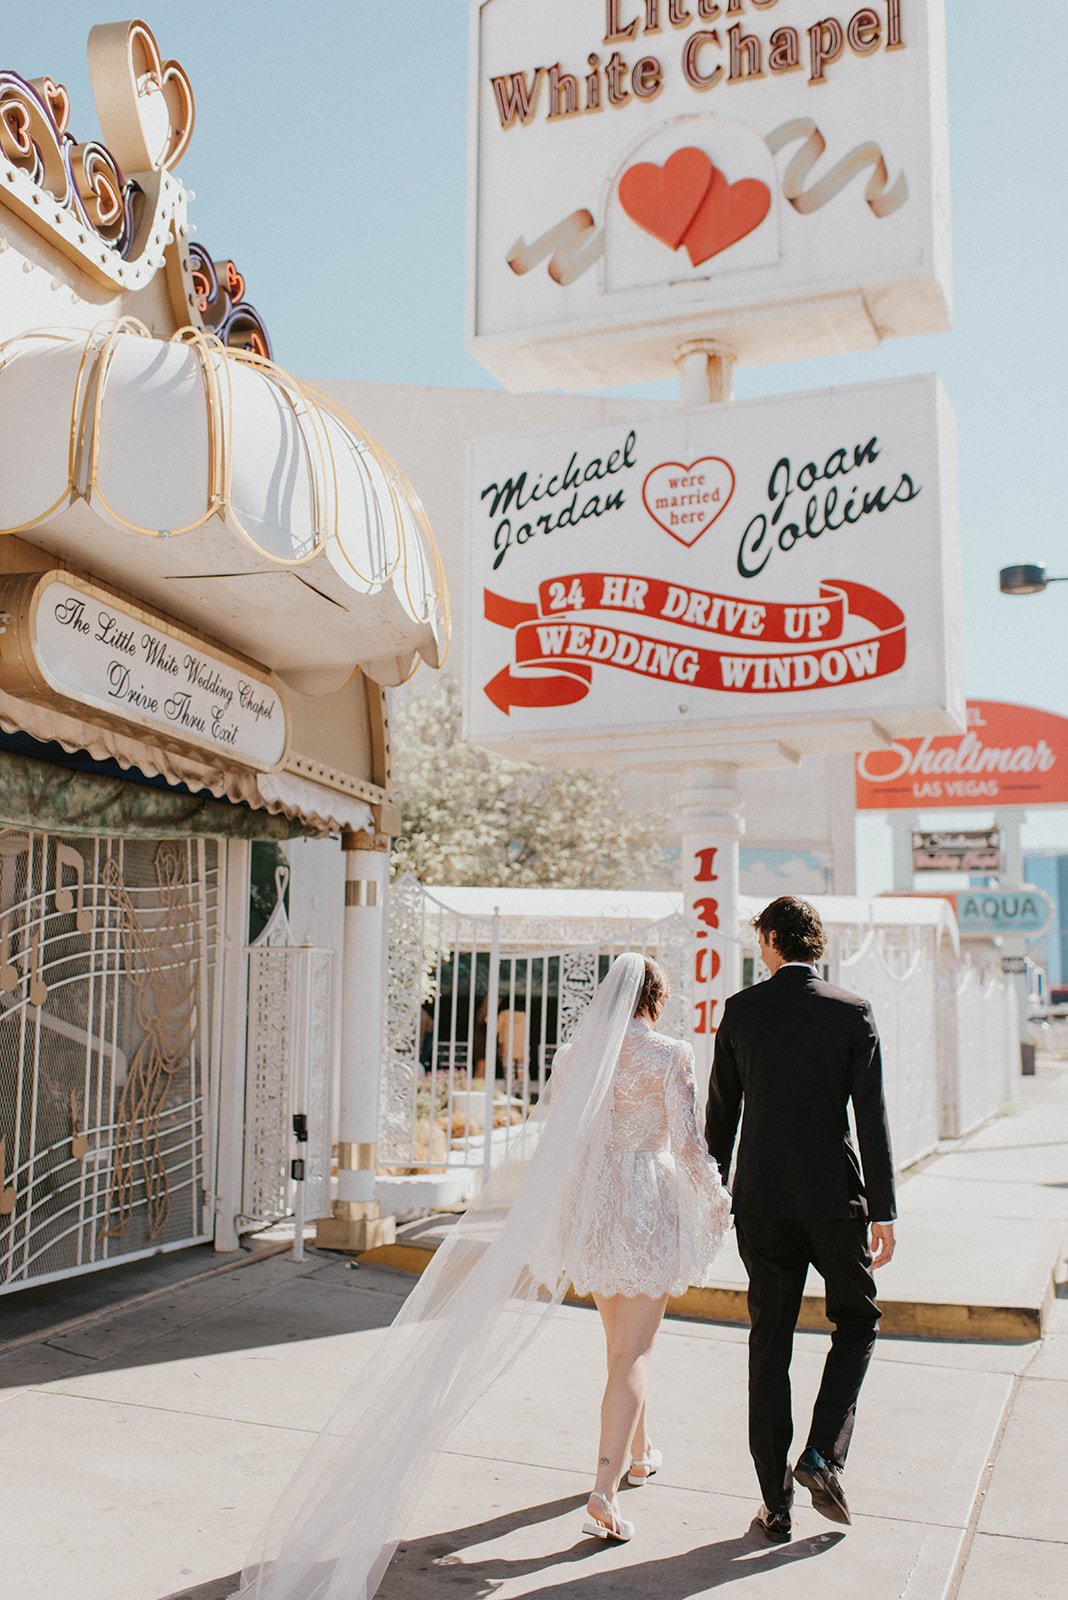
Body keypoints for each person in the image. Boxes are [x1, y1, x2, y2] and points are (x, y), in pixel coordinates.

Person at [234, 954, 729, 1598]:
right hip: (644, 1205)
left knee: (619, 1347)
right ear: (655, 1000)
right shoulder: (670, 1054)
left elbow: (559, 1141)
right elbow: (688, 1144)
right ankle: (604, 1490)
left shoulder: (576, 1056)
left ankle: (640, 1452)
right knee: (633, 1352)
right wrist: (716, 1199)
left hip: (595, 1206)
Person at [706, 895, 896, 1545]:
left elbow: (721, 1117)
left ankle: (775, 1503)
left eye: (759, 939)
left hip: (761, 1201)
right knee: (858, 1320)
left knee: (771, 1341)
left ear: (772, 939)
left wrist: (713, 1192)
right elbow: (871, 1116)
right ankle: (821, 1455)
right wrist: (883, 1209)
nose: (757, 948)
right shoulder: (851, 1012)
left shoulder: (742, 1011)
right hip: (834, 1201)